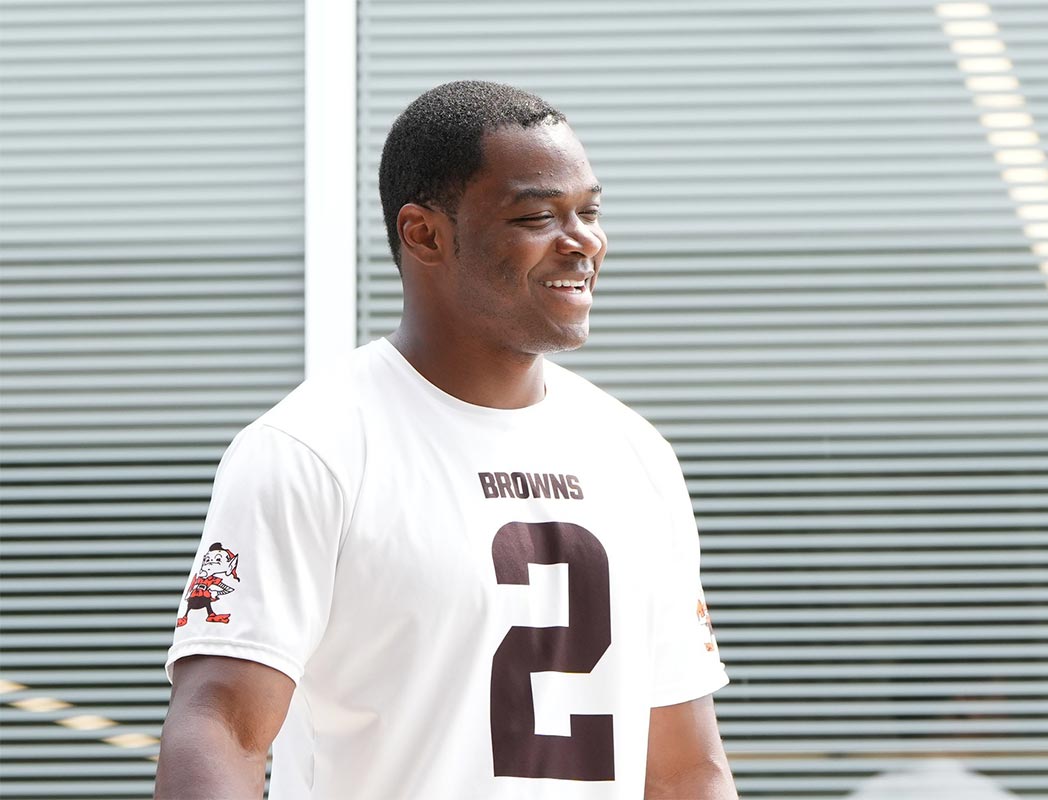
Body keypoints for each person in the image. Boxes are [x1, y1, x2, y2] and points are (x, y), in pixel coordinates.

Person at [154, 80, 737, 799]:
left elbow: (683, 768)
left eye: (588, 211)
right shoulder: (311, 448)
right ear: (424, 234)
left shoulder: (636, 455)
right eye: (538, 216)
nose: (584, 240)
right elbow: (222, 727)